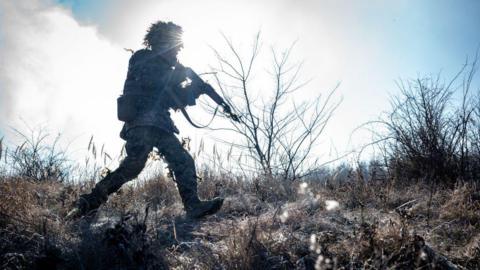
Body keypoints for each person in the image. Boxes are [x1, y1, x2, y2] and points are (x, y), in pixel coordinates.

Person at [67, 21, 224, 219]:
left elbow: (175, 99)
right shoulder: (142, 58)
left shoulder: (170, 67)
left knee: (182, 160)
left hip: (161, 124)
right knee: (133, 167)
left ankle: (192, 206)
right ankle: (87, 203)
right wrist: (180, 74)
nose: (177, 51)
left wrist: (195, 90)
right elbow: (153, 80)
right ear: (161, 41)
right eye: (174, 46)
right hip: (141, 121)